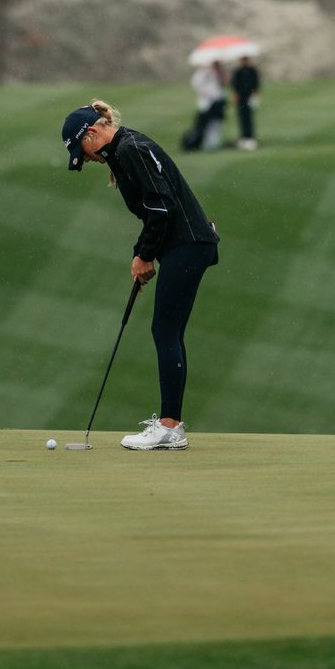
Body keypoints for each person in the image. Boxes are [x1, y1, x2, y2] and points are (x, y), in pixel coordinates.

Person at [62, 99, 219, 451]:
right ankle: (171, 424)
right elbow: (158, 208)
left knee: (164, 330)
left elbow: (159, 209)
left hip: (187, 244)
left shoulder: (129, 149)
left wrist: (143, 255)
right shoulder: (125, 146)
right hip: (187, 244)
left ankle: (169, 426)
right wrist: (144, 253)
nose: (85, 158)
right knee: (169, 330)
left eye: (81, 150)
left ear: (92, 134)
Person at [183, 60, 228, 151]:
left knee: (216, 123)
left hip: (217, 102)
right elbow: (198, 86)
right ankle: (204, 143)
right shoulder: (201, 74)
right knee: (204, 126)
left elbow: (224, 84)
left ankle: (213, 142)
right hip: (206, 104)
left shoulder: (217, 73)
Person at [231, 55, 261, 150]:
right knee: (242, 117)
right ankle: (244, 137)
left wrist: (255, 95)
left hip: (249, 96)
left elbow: (256, 84)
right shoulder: (238, 71)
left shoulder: (252, 70)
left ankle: (250, 137)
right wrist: (235, 96)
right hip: (241, 98)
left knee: (249, 117)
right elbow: (235, 85)